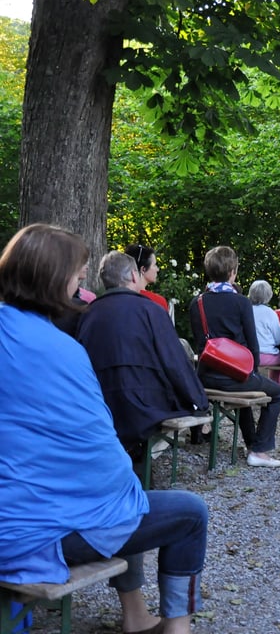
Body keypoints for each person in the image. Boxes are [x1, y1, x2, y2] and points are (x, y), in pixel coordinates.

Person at [0, 223, 207, 634]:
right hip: (28, 536)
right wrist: (197, 402)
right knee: (174, 509)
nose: (80, 287)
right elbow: (104, 465)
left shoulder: (61, 328)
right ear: (56, 280)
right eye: (77, 277)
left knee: (120, 495)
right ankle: (176, 628)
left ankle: (135, 613)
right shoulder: (63, 349)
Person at [77, 251, 209, 456]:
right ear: (132, 275)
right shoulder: (151, 310)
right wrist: (199, 399)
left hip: (98, 402)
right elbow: (174, 362)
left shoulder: (87, 313)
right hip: (145, 404)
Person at [189, 245, 280, 468]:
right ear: (233, 271)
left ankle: (252, 444)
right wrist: (252, 373)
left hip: (204, 376)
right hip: (234, 376)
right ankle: (259, 451)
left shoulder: (198, 302)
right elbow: (253, 347)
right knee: (278, 393)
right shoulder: (241, 302)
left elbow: (200, 344)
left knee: (246, 395)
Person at [247, 279, 280, 404]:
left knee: (278, 358)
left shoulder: (246, 310)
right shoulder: (270, 313)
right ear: (268, 295)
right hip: (266, 355)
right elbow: (279, 338)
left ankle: (272, 388)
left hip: (249, 355)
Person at [125, 243, 169, 313]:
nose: (157, 269)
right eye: (154, 265)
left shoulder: (118, 298)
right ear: (143, 269)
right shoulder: (157, 302)